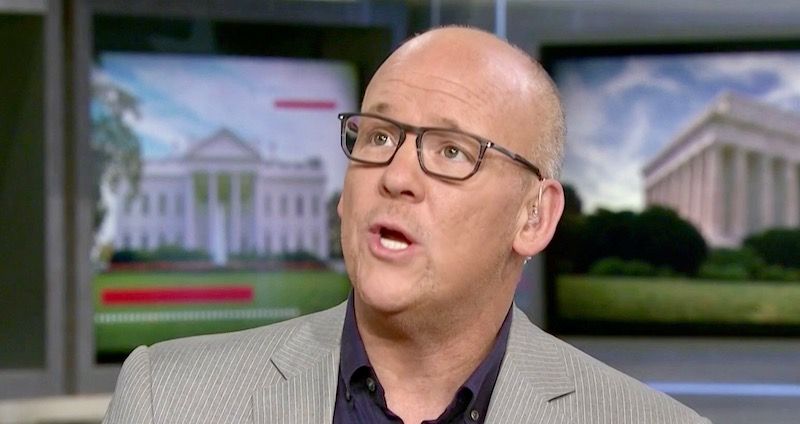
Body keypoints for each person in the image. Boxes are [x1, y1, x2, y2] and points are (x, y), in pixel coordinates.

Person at [102, 26, 711, 424]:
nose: (395, 176)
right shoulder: (168, 400)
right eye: (378, 136)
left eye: (451, 151)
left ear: (534, 217)